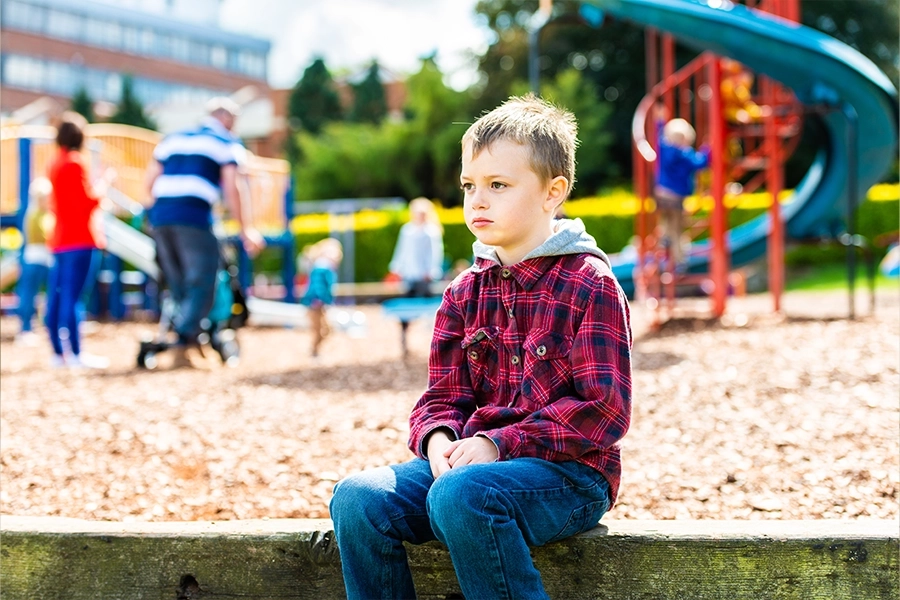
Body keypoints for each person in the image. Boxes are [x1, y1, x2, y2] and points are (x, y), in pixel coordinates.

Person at [329, 94, 633, 599]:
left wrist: (499, 443)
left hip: (570, 476)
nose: (478, 200)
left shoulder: (590, 284)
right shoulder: (463, 291)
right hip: (470, 472)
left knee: (461, 495)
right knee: (358, 499)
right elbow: (442, 398)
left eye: (498, 185)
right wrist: (438, 441)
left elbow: (604, 411)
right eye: (470, 185)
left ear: (551, 192)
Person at [145, 96, 264, 369]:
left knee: (178, 283)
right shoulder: (226, 142)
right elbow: (233, 187)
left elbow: (149, 180)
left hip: (161, 216)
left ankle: (190, 342)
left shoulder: (174, 138)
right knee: (203, 281)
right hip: (194, 216)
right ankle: (184, 345)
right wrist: (246, 229)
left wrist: (155, 214)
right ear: (228, 120)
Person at [45, 111, 112, 369]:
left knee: (57, 295)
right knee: (74, 298)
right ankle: (75, 353)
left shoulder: (55, 163)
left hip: (60, 239)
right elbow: (88, 202)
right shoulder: (75, 162)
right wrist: (104, 185)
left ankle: (57, 353)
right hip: (81, 239)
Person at [654, 114, 710, 267]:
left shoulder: (663, 147)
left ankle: (663, 248)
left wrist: (659, 121)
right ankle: (679, 261)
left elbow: (658, 133)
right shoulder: (685, 154)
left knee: (665, 223)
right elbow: (701, 163)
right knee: (677, 229)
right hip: (676, 197)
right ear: (685, 139)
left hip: (661, 194)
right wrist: (708, 147)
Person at [15, 177, 55, 346]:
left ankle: (47, 325)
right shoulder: (34, 215)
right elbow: (44, 235)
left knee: (50, 294)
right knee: (29, 295)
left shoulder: (45, 214)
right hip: (35, 260)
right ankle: (25, 328)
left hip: (45, 260)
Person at [388, 196, 444, 298]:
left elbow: (435, 253)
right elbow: (401, 250)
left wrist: (432, 271)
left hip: (425, 275)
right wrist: (396, 268)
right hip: (409, 274)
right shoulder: (407, 230)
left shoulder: (432, 231)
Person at [299, 237, 342, 357]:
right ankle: (314, 352)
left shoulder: (323, 266)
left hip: (318, 302)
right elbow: (318, 285)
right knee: (320, 329)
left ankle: (316, 351)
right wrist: (320, 298)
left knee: (325, 329)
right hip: (316, 302)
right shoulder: (322, 266)